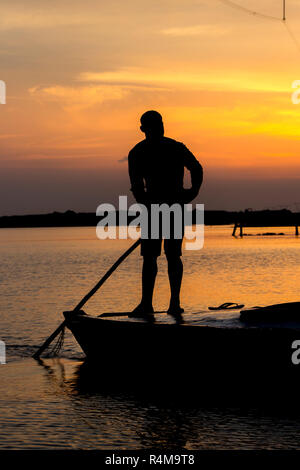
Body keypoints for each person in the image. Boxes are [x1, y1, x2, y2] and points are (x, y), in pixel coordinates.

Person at [128, 110, 203, 321]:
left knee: (172, 255)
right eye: (152, 125)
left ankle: (174, 303)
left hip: (174, 208)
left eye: (159, 124)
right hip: (153, 210)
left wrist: (192, 192)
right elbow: (137, 186)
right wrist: (148, 207)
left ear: (162, 125)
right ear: (143, 129)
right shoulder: (137, 153)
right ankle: (147, 303)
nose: (157, 128)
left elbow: (196, 168)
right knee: (150, 257)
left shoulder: (176, 147)